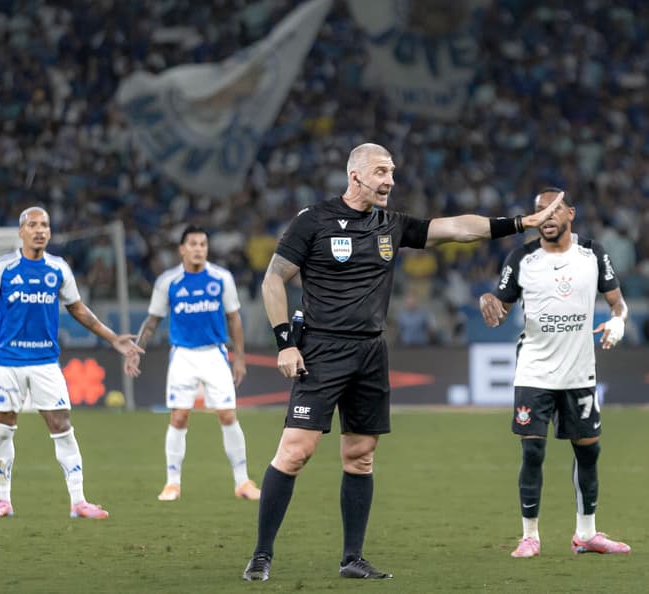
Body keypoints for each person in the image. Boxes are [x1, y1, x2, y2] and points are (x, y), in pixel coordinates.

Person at [242, 142, 565, 582]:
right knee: (296, 451)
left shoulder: (390, 224)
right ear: (355, 175)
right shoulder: (313, 220)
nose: (390, 180)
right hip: (320, 349)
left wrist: (519, 223)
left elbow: (456, 229)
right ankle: (262, 555)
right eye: (381, 172)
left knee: (360, 456)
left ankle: (352, 558)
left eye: (392, 172)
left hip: (371, 352)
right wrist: (284, 342)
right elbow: (274, 279)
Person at [0, 206, 143, 520]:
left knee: (62, 428)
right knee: (2, 430)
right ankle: (3, 501)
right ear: (21, 231)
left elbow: (79, 309)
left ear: (49, 232)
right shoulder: (3, 267)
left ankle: (79, 501)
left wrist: (113, 338)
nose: (39, 230)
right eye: (33, 225)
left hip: (45, 364)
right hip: (9, 364)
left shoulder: (59, 269)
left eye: (45, 225)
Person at [479, 188, 630, 558]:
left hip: (580, 372)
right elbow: (500, 305)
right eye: (540, 212)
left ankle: (586, 534)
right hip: (534, 371)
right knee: (532, 451)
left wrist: (618, 322)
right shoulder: (522, 258)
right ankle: (530, 535)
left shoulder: (593, 254)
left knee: (589, 454)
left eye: (554, 210)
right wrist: (489, 301)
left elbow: (617, 302)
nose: (546, 217)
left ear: (570, 214)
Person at [123, 225, 260, 502]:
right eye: (194, 244)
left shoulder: (221, 278)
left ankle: (243, 482)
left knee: (227, 415)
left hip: (214, 355)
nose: (199, 249)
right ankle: (172, 483)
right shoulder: (168, 281)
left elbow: (234, 318)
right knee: (179, 416)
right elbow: (153, 320)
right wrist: (137, 348)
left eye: (203, 244)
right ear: (182, 249)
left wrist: (240, 359)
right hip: (183, 356)